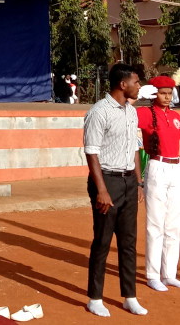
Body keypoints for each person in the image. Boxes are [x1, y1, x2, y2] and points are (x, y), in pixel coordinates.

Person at [83, 63, 147, 317]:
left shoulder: (131, 111)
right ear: (123, 84)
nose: (139, 85)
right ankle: (95, 298)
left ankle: (129, 296)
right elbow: (91, 152)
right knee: (102, 240)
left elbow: (135, 148)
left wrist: (138, 182)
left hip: (129, 181)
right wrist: (101, 189)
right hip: (106, 181)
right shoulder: (99, 112)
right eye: (136, 81)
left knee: (128, 241)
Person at [136, 75, 180, 292]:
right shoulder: (145, 113)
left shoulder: (174, 116)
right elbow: (122, 115)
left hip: (176, 167)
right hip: (156, 166)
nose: (166, 97)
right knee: (155, 223)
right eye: (162, 93)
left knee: (173, 224)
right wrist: (134, 100)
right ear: (154, 93)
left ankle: (169, 272)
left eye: (169, 93)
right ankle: (153, 274)